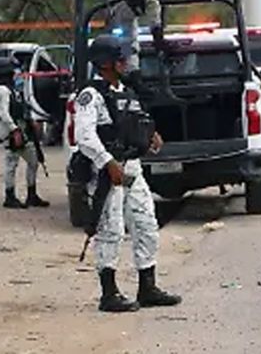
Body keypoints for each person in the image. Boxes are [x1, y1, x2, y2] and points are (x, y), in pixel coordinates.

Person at [74, 35, 182, 313]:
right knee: (110, 229)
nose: (125, 62)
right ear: (105, 63)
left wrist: (150, 137)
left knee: (146, 223)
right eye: (120, 58)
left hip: (131, 167)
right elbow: (83, 136)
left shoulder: (126, 90)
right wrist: (108, 162)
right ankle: (108, 293)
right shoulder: (90, 95)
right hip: (107, 170)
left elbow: (135, 123)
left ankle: (148, 287)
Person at [0, 56, 51, 209]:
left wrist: (30, 122)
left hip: (19, 127)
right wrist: (14, 130)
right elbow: (4, 113)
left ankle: (31, 194)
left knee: (33, 161)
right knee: (12, 162)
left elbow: (21, 107)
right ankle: (10, 196)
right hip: (10, 129)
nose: (16, 73)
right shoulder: (1, 90)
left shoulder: (11, 88)